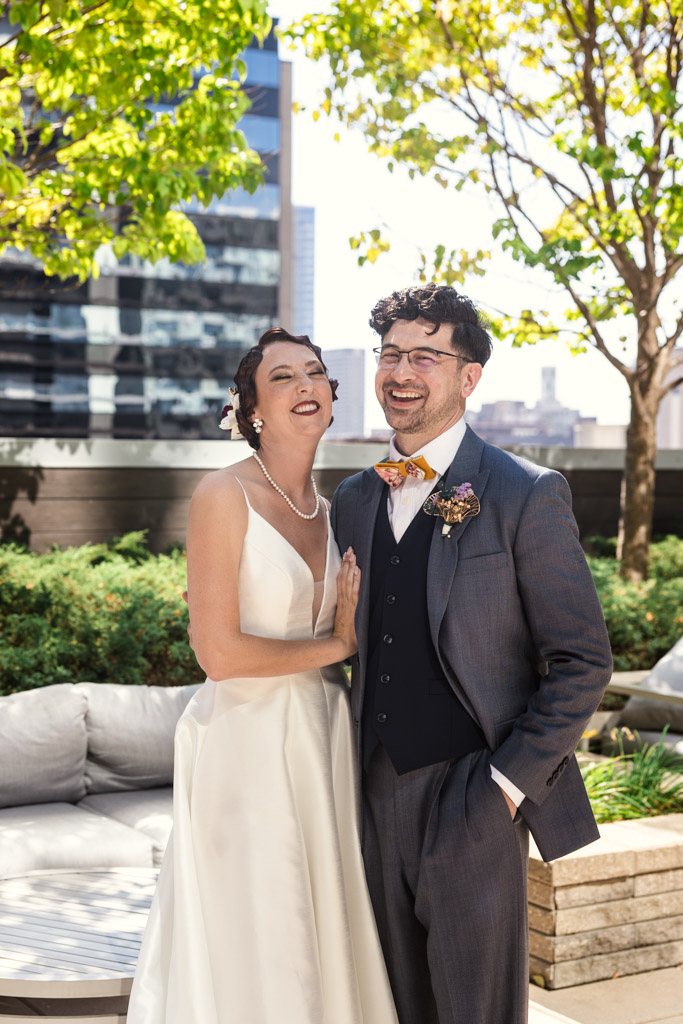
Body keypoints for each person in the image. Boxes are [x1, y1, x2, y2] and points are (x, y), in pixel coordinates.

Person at [331, 284, 613, 1024]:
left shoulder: (524, 492)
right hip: (371, 788)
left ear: (468, 376)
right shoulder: (354, 499)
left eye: (425, 354)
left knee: (476, 1011)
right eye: (390, 353)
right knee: (393, 1003)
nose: (400, 371)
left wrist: (504, 787)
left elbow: (582, 660)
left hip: (474, 792)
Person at [127, 327, 398, 1024]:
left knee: (320, 927)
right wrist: (339, 643)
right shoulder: (222, 495)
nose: (305, 385)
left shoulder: (340, 509)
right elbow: (216, 653)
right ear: (250, 410)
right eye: (281, 378)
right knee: (262, 929)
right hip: (244, 744)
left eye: (314, 373)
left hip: (323, 738)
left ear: (332, 399)